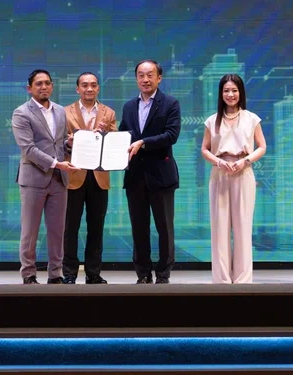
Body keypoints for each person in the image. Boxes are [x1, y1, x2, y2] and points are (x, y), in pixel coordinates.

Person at [11, 69, 79, 284]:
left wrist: (69, 145)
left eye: (47, 83)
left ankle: (55, 274)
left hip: (59, 180)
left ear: (52, 86)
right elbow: (28, 148)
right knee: (30, 232)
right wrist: (56, 163)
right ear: (29, 88)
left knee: (58, 231)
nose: (44, 87)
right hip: (33, 179)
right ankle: (29, 274)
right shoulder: (21, 113)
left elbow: (59, 144)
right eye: (38, 84)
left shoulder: (60, 111)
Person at [119, 60, 181, 284]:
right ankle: (143, 274)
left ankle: (163, 274)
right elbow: (123, 137)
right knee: (139, 227)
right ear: (136, 78)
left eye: (150, 75)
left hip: (161, 176)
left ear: (159, 78)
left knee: (164, 228)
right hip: (135, 177)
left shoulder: (170, 104)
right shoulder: (128, 107)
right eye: (141, 75)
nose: (145, 79)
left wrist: (143, 142)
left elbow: (171, 135)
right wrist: (105, 139)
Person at [201, 74, 266, 284]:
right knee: (219, 228)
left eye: (234, 90)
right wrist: (218, 162)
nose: (230, 94)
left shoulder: (251, 118)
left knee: (242, 227)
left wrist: (245, 161)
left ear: (241, 92)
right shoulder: (212, 120)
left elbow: (262, 147)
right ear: (221, 94)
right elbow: (204, 149)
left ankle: (243, 280)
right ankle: (221, 280)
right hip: (219, 173)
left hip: (243, 172)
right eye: (226, 91)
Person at [63, 72, 117, 284]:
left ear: (98, 89)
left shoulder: (108, 113)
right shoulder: (64, 112)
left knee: (96, 227)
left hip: (99, 177)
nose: (89, 89)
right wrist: (70, 142)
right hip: (73, 175)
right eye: (84, 85)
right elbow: (60, 143)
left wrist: (104, 136)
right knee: (70, 228)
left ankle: (93, 273)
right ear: (77, 89)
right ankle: (69, 273)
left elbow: (114, 145)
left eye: (93, 85)